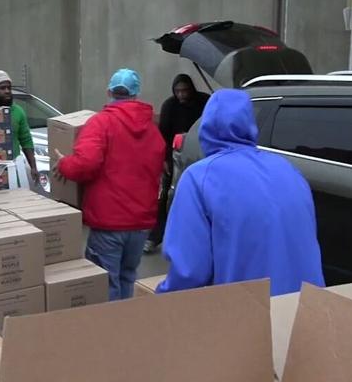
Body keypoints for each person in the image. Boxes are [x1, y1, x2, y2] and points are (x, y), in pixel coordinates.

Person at [156, 89, 324, 296]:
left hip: (250, 313)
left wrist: (158, 301)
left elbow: (189, 271)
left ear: (205, 127)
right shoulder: (289, 170)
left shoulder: (200, 177)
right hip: (306, 309)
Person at [53, 69, 165, 300]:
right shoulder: (153, 130)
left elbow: (85, 164)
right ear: (136, 94)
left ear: (109, 92)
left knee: (106, 284)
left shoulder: (101, 123)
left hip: (109, 222)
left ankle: (109, 332)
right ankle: (124, 328)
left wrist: (64, 164)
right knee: (127, 277)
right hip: (141, 223)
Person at [144, 74, 209, 254]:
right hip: (175, 157)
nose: (181, 95)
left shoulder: (204, 102)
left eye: (185, 90)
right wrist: (164, 160)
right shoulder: (170, 106)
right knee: (165, 197)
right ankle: (154, 237)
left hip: (199, 156)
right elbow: (162, 135)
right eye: (178, 91)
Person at [0, 70, 39, 185]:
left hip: (13, 170)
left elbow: (26, 140)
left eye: (9, 87)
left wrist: (33, 167)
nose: (7, 91)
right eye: (2, 88)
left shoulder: (18, 112)